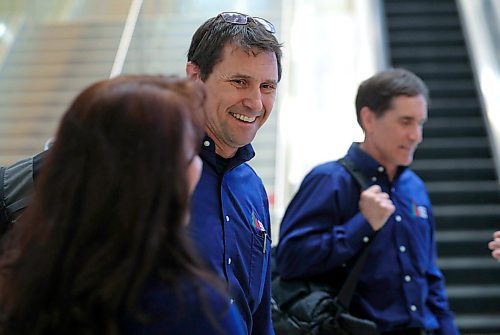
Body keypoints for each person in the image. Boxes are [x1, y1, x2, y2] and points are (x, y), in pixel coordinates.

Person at [0, 75, 245, 335]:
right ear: (153, 182)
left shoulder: (22, 279)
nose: (199, 166)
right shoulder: (194, 311)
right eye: (190, 154)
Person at [276, 69, 459, 335]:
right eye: (405, 122)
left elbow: (430, 276)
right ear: (369, 119)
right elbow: (290, 260)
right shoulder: (329, 180)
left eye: (420, 123)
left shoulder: (414, 188)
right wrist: (362, 225)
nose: (416, 135)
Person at [185, 12, 282, 335]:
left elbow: (260, 314)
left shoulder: (253, 189)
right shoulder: (148, 168)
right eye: (240, 81)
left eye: (267, 86)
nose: (255, 102)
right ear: (194, 77)